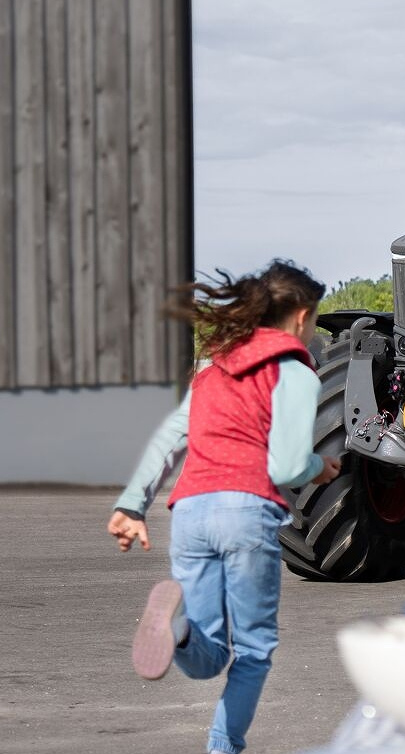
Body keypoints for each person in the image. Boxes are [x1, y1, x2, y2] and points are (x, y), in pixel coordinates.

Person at [108, 260, 339, 754]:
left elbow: (170, 439)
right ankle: (222, 748)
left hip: (190, 512)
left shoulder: (212, 370)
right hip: (246, 511)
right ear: (301, 316)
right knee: (254, 650)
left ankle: (178, 629)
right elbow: (286, 465)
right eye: (316, 319)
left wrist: (132, 506)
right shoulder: (294, 371)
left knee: (208, 656)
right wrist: (318, 466)